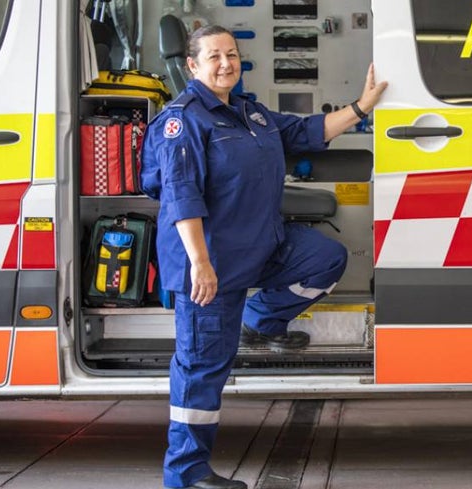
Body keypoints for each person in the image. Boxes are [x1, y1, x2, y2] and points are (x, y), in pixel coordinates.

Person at [140, 24, 387, 489]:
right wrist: (200, 262)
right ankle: (186, 474)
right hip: (211, 264)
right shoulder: (182, 120)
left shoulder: (250, 115)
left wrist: (361, 107)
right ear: (192, 66)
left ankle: (261, 320)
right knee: (202, 368)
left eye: (231, 54)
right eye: (213, 56)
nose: (225, 63)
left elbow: (308, 130)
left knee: (326, 258)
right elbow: (180, 196)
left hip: (263, 247)